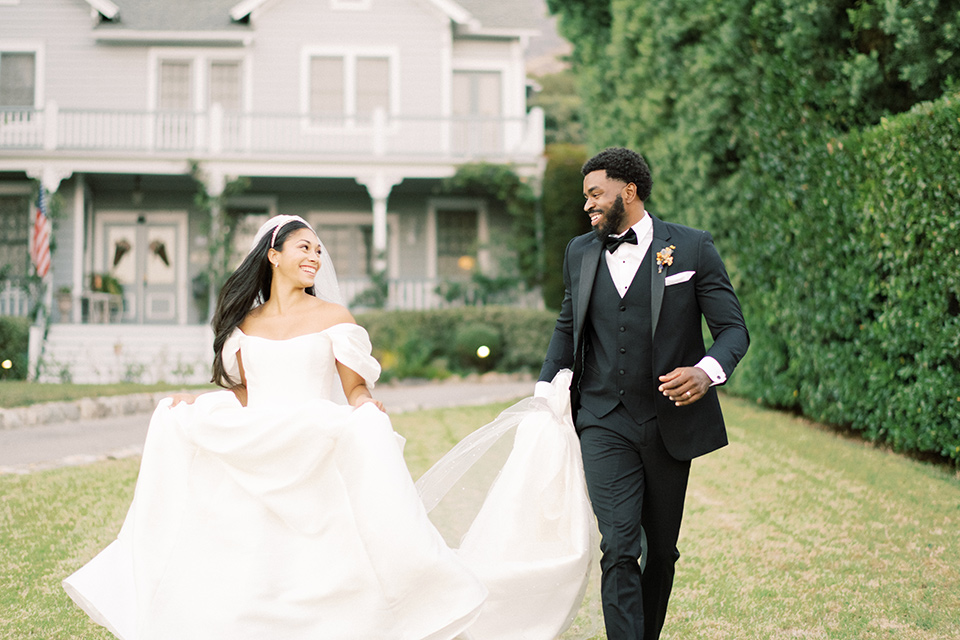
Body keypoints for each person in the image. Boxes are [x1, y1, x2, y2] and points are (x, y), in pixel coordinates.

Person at [64, 215, 596, 640]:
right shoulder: (243, 326)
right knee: (246, 550)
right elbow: (243, 394)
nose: (315, 257)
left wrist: (367, 408)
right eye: (305, 248)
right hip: (261, 445)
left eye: (319, 250)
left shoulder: (335, 319)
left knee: (321, 558)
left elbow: (354, 389)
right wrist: (196, 404)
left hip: (315, 444)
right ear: (273, 255)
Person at [538, 147, 749, 640]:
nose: (587, 205)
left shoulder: (692, 248)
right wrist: (544, 392)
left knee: (662, 549)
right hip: (601, 418)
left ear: (627, 191)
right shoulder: (580, 251)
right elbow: (566, 328)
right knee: (619, 545)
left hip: (667, 421)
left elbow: (733, 330)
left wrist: (706, 371)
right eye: (586, 196)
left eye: (596, 193)